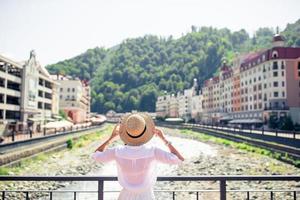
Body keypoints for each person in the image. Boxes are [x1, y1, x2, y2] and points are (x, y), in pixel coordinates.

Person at [92, 113, 184, 200]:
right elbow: (179, 159)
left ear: (126, 133)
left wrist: (111, 138)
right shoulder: (152, 151)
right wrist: (164, 139)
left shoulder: (117, 151)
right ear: (145, 131)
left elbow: (96, 155)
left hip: (125, 196)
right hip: (146, 197)